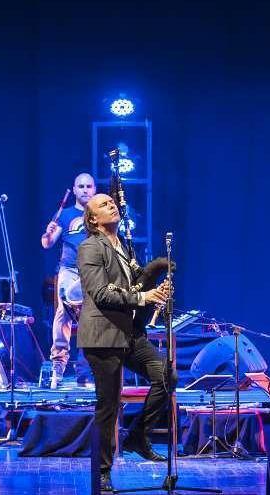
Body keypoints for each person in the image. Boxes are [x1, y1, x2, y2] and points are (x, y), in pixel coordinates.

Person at [77, 193, 172, 492]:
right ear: (93, 219)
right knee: (108, 405)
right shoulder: (90, 247)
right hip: (103, 336)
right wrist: (143, 296)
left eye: (112, 203)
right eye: (103, 205)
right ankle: (102, 472)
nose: (112, 205)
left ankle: (136, 437)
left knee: (166, 375)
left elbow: (134, 285)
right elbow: (102, 293)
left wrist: (155, 280)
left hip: (129, 333)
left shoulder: (123, 246)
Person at [41, 172, 95, 388]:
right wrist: (48, 233)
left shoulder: (99, 214)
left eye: (88, 186)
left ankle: (85, 373)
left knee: (92, 320)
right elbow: (47, 243)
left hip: (92, 272)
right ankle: (58, 368)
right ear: (74, 190)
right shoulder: (65, 214)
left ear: (94, 189)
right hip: (69, 270)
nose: (84, 190)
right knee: (63, 314)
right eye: (80, 186)